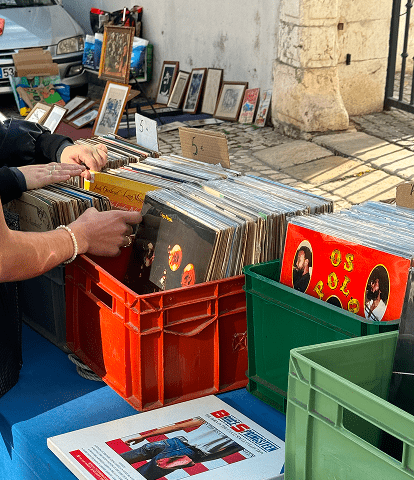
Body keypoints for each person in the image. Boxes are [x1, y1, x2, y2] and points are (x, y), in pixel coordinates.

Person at [120, 418, 242, 480]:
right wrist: (195, 459)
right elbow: (221, 454)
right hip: (189, 452)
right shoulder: (239, 442)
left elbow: (177, 427)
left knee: (121, 461)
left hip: (173, 441)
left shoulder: (218, 419)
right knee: (140, 476)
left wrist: (144, 437)